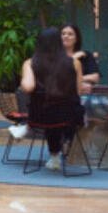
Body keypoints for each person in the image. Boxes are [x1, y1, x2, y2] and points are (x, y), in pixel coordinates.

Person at [18, 25, 86, 168]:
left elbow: (28, 87)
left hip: (39, 116)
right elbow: (79, 91)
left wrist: (23, 80)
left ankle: (54, 154)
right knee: (65, 112)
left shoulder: (30, 63)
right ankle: (64, 145)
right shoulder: (75, 63)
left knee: (50, 113)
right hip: (70, 117)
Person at [59, 23, 100, 90]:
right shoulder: (55, 55)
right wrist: (73, 58)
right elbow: (57, 78)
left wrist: (77, 79)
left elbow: (95, 77)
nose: (66, 36)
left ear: (76, 39)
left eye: (70, 34)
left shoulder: (86, 55)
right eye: (63, 34)